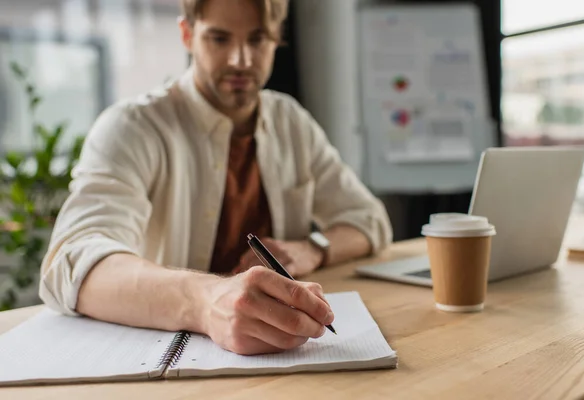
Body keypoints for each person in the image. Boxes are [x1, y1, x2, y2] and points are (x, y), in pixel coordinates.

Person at [39, 0, 392, 356]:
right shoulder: (132, 127)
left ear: (276, 40)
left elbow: (370, 220)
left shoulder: (291, 122)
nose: (240, 60)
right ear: (187, 35)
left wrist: (311, 248)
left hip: (282, 355)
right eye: (219, 39)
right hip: (167, 362)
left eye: (256, 40)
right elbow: (72, 263)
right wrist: (207, 302)